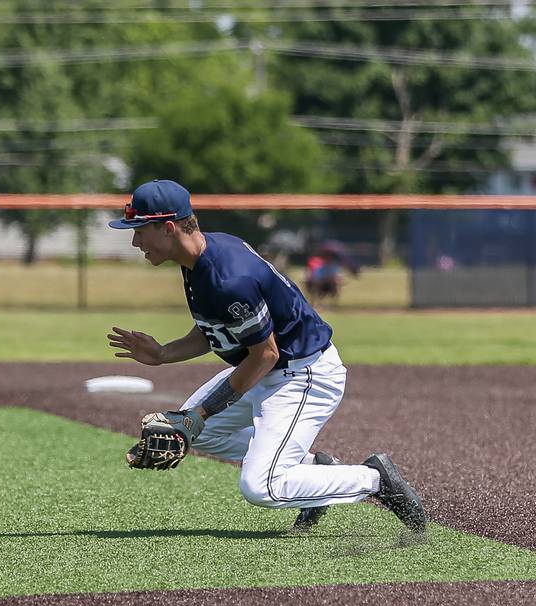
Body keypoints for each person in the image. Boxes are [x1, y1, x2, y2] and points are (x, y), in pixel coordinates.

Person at [107, 179, 426, 534]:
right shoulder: (202, 257)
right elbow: (216, 329)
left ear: (168, 228)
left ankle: (375, 480)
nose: (135, 242)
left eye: (140, 230)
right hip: (268, 368)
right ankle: (313, 468)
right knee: (197, 434)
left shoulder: (228, 278)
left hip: (304, 374)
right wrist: (164, 353)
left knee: (261, 487)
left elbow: (265, 354)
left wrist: (199, 413)